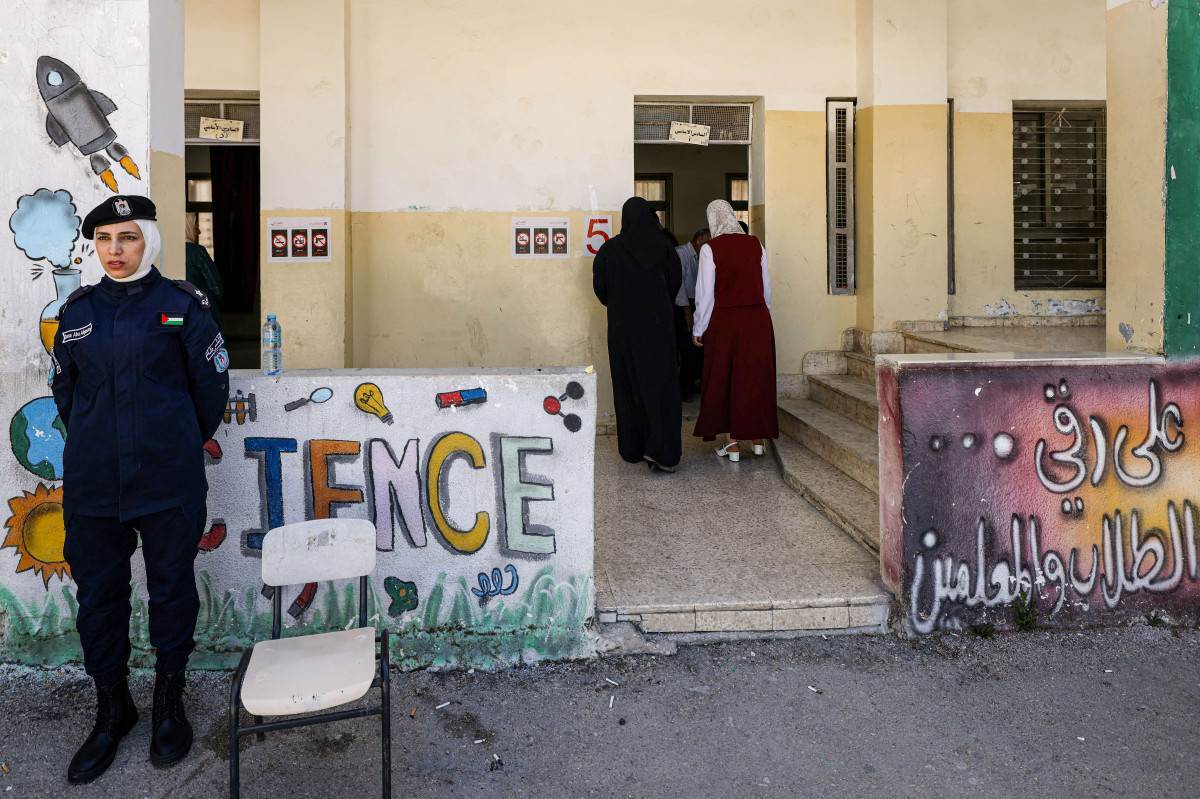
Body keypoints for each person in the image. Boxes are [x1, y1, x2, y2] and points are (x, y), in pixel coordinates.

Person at [51, 195, 229, 783]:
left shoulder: (180, 307)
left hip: (167, 481)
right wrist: (98, 441)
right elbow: (66, 395)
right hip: (94, 484)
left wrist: (173, 440)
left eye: (126, 237)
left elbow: (210, 390)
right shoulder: (78, 313)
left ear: (147, 240)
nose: (115, 250)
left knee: (171, 591)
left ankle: (169, 702)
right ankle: (112, 708)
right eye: (104, 239)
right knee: (99, 598)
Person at [593, 197, 683, 472]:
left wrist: (622, 304)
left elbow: (601, 290)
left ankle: (633, 448)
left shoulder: (609, 250)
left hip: (624, 331)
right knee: (661, 387)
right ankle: (662, 451)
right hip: (658, 330)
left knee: (628, 385)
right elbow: (675, 283)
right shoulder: (664, 247)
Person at [691, 199, 778, 462]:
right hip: (757, 319)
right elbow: (766, 287)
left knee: (727, 379)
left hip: (726, 322)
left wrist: (699, 327)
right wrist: (764, 318)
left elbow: (705, 295)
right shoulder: (755, 244)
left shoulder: (710, 249)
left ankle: (732, 444)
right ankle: (758, 440)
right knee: (755, 378)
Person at [673, 228, 709, 401]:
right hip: (683, 305)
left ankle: (692, 385)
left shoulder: (699, 256)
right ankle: (684, 389)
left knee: (696, 349)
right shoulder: (681, 253)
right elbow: (678, 284)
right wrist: (687, 309)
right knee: (688, 349)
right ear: (699, 239)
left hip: (694, 304)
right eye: (707, 241)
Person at [184, 213, 224, 331]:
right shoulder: (196, 252)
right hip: (202, 310)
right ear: (188, 228)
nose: (199, 232)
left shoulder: (169, 251)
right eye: (195, 227)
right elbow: (215, 286)